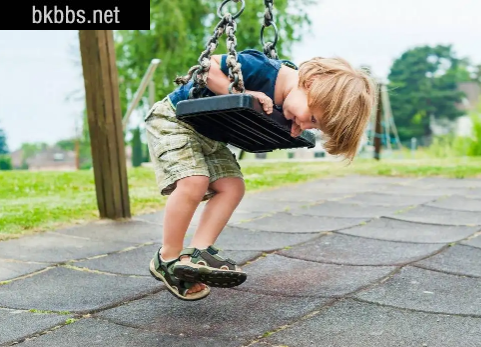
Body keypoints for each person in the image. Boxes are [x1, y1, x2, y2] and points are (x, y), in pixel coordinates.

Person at [145, 49, 376, 301]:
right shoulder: (262, 67)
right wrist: (239, 93)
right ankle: (167, 257)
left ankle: (197, 255)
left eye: (314, 126)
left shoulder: (291, 100)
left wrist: (288, 127)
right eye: (311, 118)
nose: (307, 125)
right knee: (194, 181)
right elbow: (208, 67)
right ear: (311, 83)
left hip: (209, 135)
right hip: (175, 119)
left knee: (233, 187)